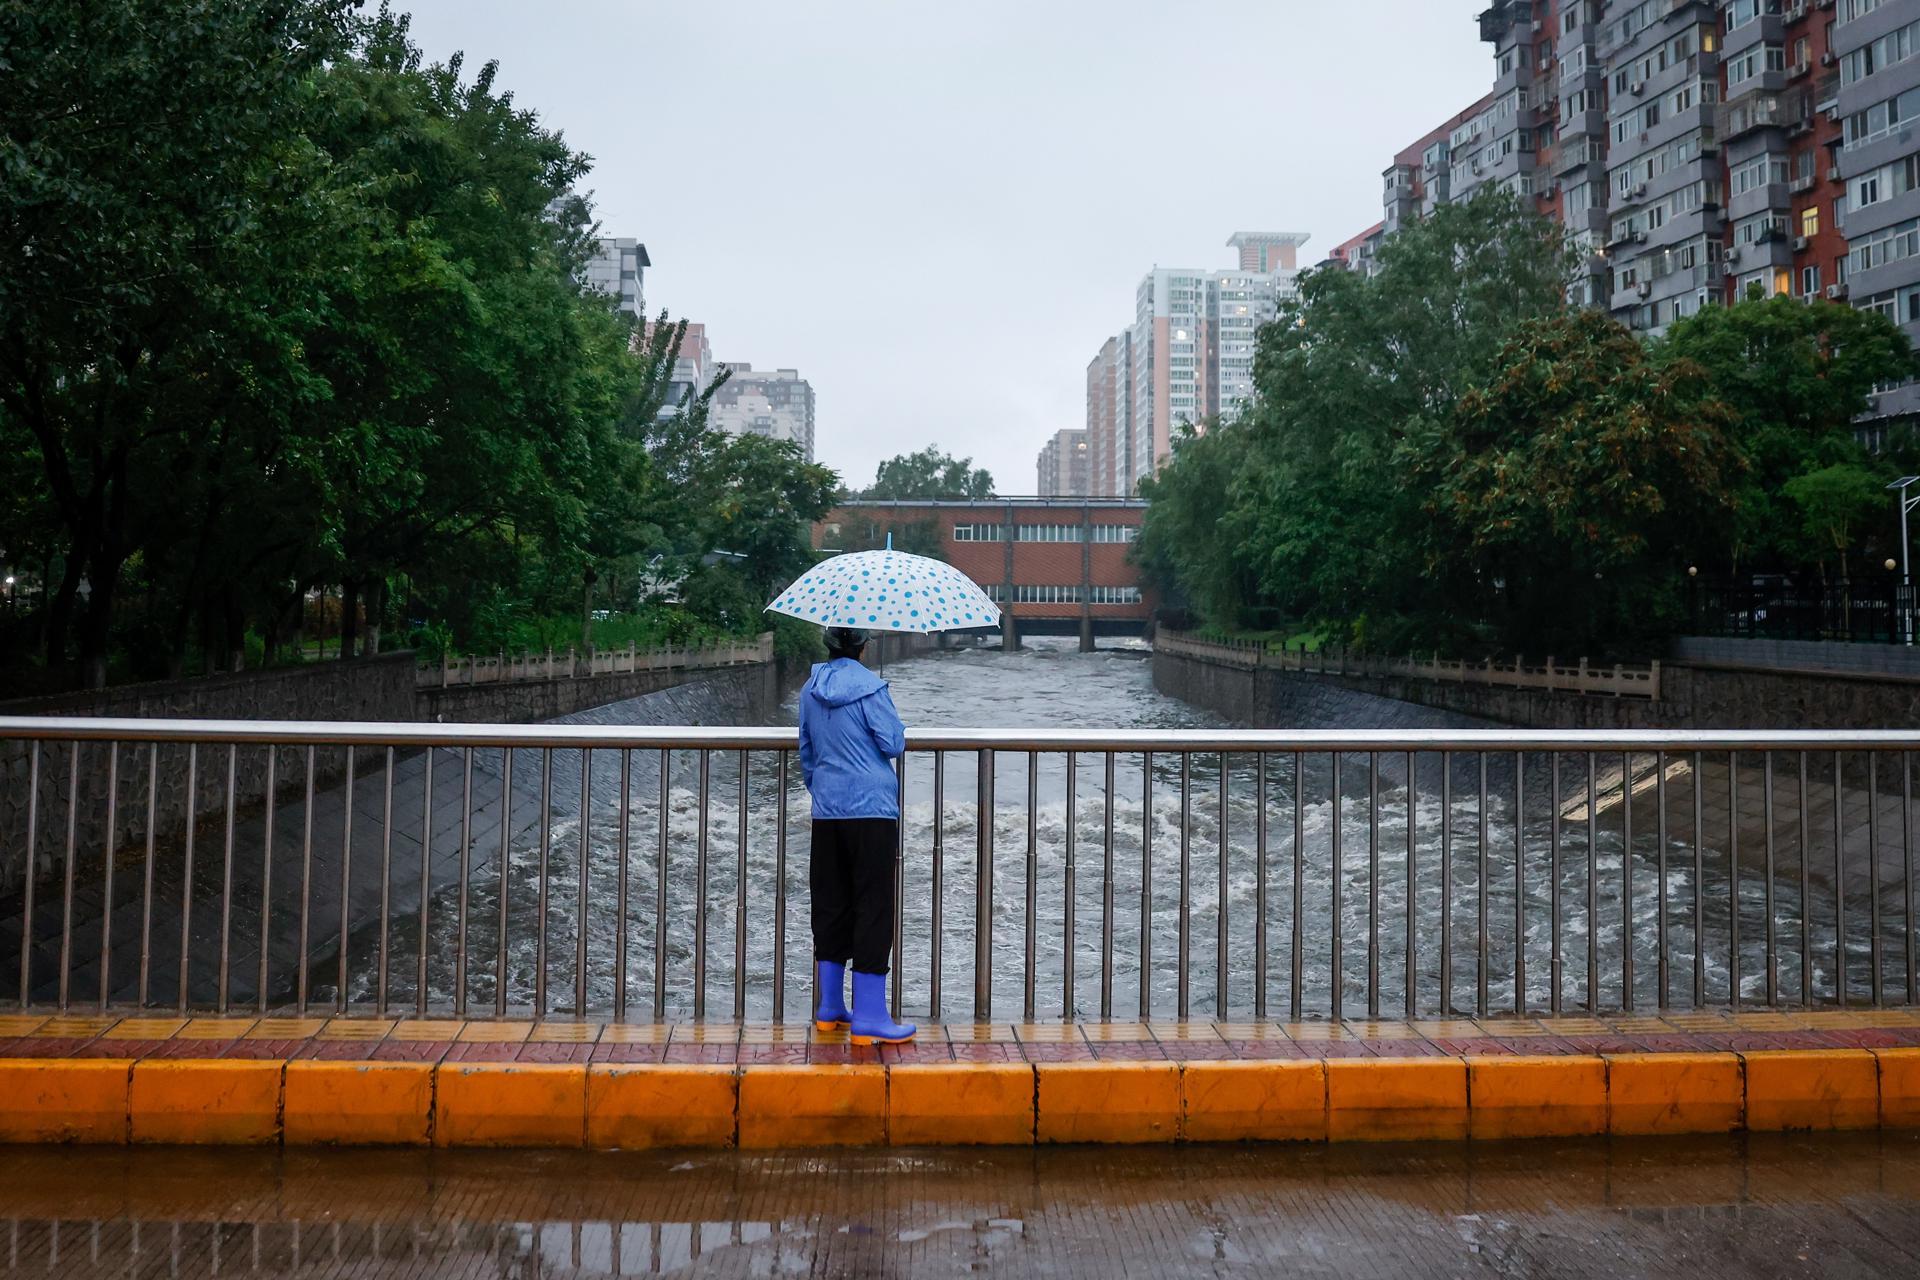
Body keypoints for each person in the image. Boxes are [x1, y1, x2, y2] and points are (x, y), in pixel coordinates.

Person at [797, 625, 916, 1044]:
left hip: (828, 809)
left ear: (829, 647)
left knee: (830, 902)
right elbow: (892, 743)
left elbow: (807, 752)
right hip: (872, 810)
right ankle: (869, 1015)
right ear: (864, 648)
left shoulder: (810, 689)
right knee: (873, 905)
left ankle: (830, 1007)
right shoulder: (871, 689)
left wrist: (825, 789)